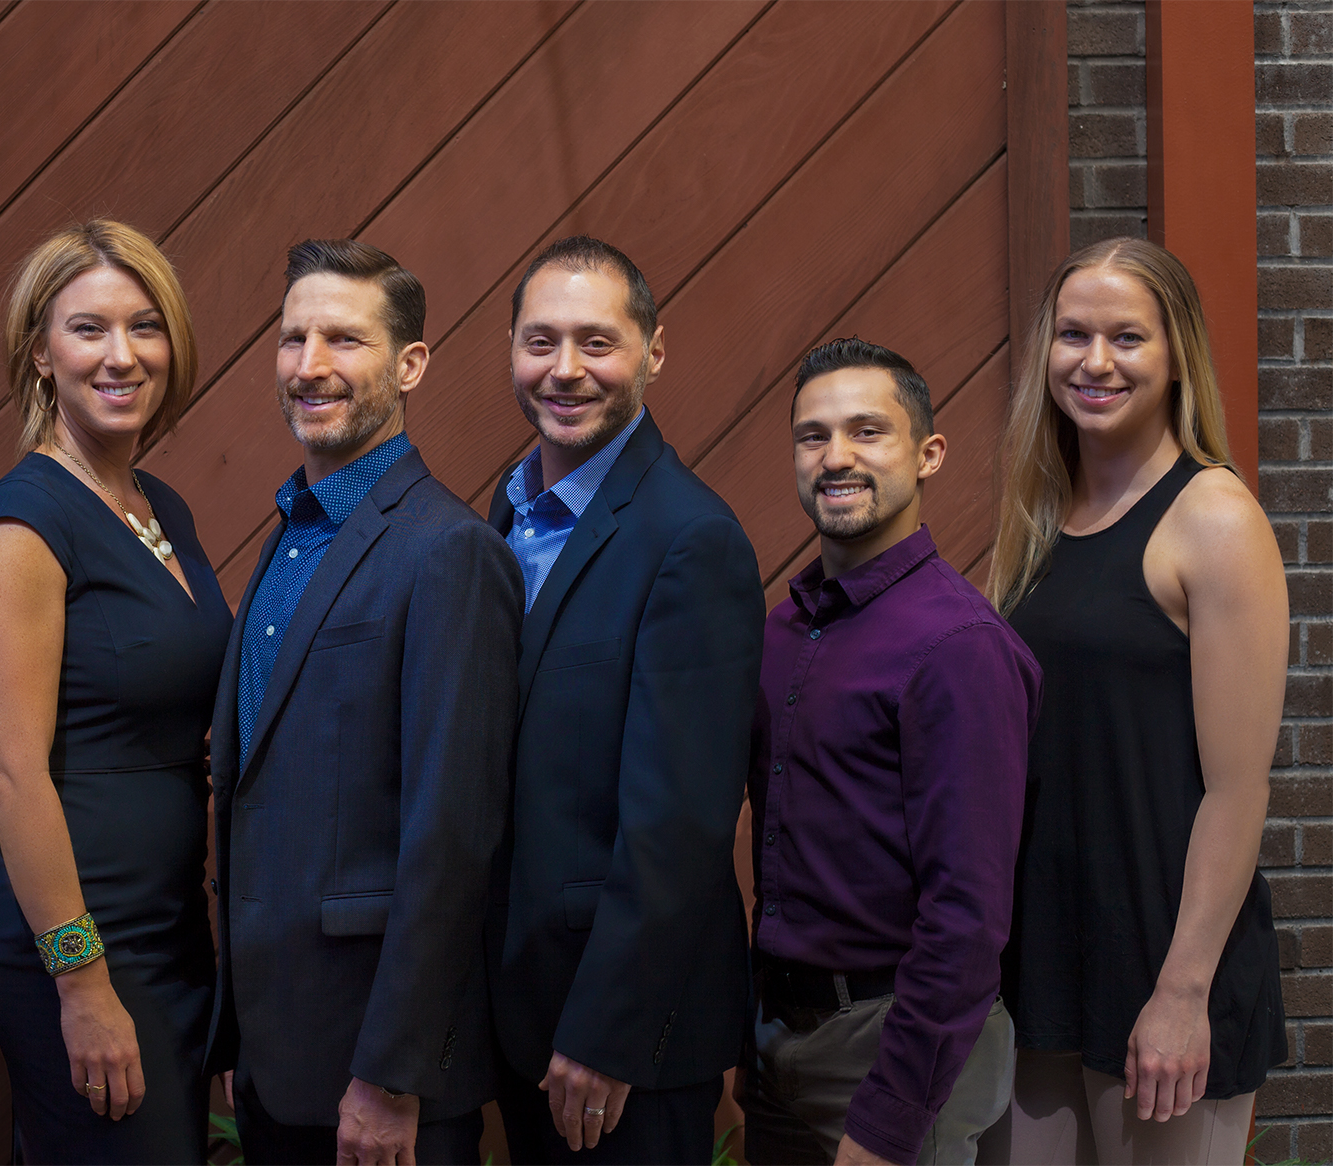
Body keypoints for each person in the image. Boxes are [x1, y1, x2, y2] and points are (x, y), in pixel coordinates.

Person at [207, 239, 521, 1166]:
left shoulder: (448, 551)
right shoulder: (291, 536)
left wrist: (392, 1074)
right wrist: (244, 1032)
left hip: (378, 1077)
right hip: (277, 1054)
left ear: (410, 364)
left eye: (344, 339)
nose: (310, 365)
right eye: (292, 338)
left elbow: (452, 835)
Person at [988, 237, 1287, 1165]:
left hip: (1164, 963)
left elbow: (1238, 791)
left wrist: (1183, 992)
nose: (1096, 361)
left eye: (1127, 337)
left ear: (1176, 356)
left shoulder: (1215, 518)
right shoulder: (1038, 520)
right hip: (1043, 965)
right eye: (1073, 335)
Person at [483, 236, 763, 1165]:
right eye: (541, 341)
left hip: (622, 1034)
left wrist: (609, 1030)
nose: (565, 370)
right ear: (511, 350)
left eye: (596, 343)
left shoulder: (692, 539)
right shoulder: (510, 511)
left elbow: (680, 822)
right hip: (522, 1007)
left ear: (654, 351)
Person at [0, 220, 230, 1163]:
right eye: (89, 329)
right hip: (81, 941)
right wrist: (80, 981)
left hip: (170, 928)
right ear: (40, 353)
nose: (123, 355)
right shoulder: (21, 526)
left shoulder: (160, 504)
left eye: (145, 326)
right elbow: (9, 773)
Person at [740, 338, 1041, 1166]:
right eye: (813, 436)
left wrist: (891, 1117)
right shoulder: (783, 631)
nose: (836, 457)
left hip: (895, 1046)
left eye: (867, 431)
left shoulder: (960, 646)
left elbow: (968, 915)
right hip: (778, 1039)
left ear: (928, 453)